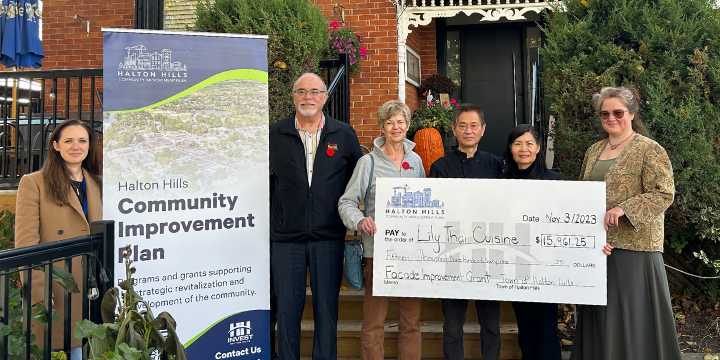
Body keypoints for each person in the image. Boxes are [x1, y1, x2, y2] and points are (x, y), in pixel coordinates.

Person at [570, 85, 681, 360]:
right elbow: (584, 196)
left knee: (633, 321)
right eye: (604, 113)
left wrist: (624, 208)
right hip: (600, 248)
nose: (611, 118)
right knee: (600, 317)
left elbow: (664, 193)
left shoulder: (649, 149)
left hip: (636, 250)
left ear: (631, 113)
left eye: (618, 112)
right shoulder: (593, 150)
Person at [269, 73, 363, 360]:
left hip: (328, 237)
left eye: (314, 91)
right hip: (286, 239)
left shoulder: (344, 133)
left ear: (324, 97)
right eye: (301, 91)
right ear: (293, 97)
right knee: (287, 311)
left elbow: (354, 182)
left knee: (326, 311)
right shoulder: (275, 134)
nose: (307, 97)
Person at [338, 100, 425, 360]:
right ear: (382, 127)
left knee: (411, 321)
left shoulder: (416, 161)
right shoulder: (368, 163)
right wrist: (359, 221)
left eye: (400, 122)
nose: (395, 127)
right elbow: (346, 202)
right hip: (378, 254)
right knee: (374, 321)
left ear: (408, 126)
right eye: (390, 123)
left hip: (411, 254)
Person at [15, 120, 102, 359]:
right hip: (56, 284)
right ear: (55, 145)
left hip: (91, 282)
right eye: (68, 140)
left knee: (86, 347)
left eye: (82, 140)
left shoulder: (97, 182)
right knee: (54, 348)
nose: (76, 146)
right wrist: (38, 290)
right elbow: (26, 242)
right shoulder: (34, 183)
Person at [428, 103, 503, 360]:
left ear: (482, 130)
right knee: (452, 325)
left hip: (488, 256)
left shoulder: (497, 166)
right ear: (454, 130)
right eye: (462, 125)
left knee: (491, 324)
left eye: (474, 125)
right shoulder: (440, 167)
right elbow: (434, 214)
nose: (468, 131)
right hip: (453, 255)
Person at [502, 124, 562, 360]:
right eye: (518, 143)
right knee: (525, 329)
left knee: (546, 328)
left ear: (538, 147)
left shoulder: (554, 180)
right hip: (516, 265)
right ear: (510, 148)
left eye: (529, 143)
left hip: (546, 265)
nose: (523, 149)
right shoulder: (501, 182)